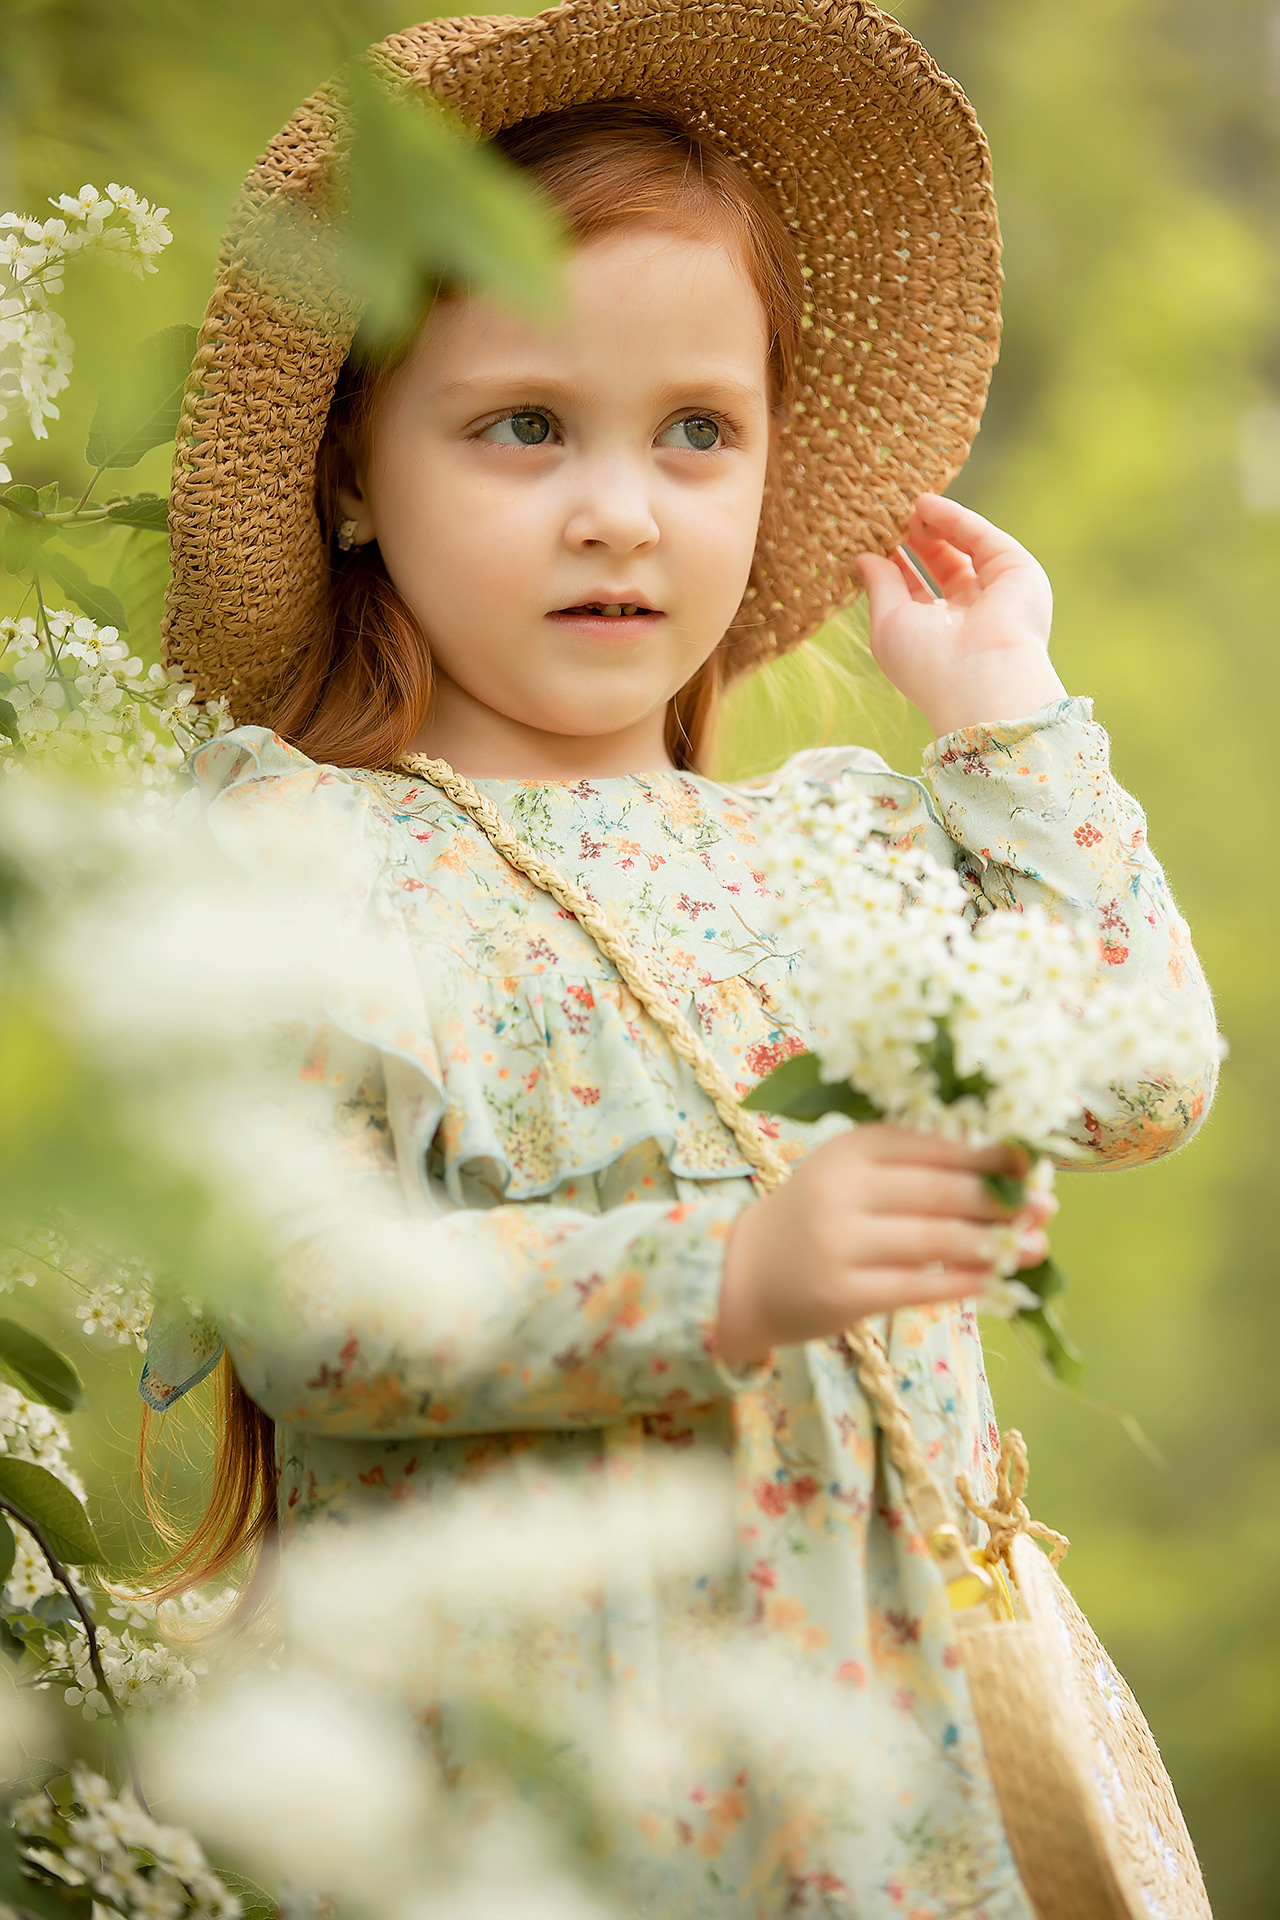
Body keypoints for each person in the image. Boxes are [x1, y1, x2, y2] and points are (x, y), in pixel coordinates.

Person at [139, 5, 1218, 1912]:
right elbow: (310, 1309)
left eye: (697, 431)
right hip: (523, 1782)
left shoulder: (843, 849)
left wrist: (1011, 726)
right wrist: (730, 1266)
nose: (619, 506)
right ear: (354, 475)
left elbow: (1135, 1073)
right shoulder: (313, 854)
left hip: (885, 1770)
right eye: (523, 426)